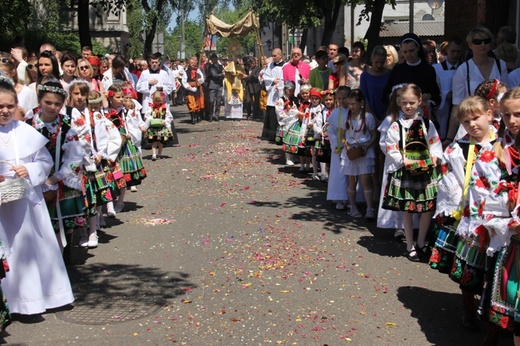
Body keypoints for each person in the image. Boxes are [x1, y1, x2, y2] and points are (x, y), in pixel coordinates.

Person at [430, 96, 506, 330]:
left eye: (476, 118)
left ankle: (495, 317)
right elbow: (448, 176)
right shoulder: (457, 148)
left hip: (499, 216)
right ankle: (468, 307)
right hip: (470, 216)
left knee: (497, 270)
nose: (472, 124)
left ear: (489, 115)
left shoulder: (504, 145)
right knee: (471, 267)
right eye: (466, 121)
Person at [0, 77, 74, 316]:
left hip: (26, 202)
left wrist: (29, 170)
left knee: (30, 248)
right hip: (2, 204)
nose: (5, 111)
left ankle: (35, 299)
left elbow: (45, 161)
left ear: (17, 106)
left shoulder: (25, 130)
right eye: (0, 106)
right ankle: (9, 301)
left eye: (10, 106)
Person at [382, 84, 442, 261]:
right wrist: (403, 160)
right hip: (406, 171)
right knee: (408, 209)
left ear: (420, 101)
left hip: (425, 170)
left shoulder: (427, 123)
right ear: (399, 102)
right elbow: (391, 147)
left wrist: (436, 157)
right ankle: (410, 244)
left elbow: (435, 142)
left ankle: (421, 241)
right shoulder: (396, 126)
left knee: (426, 209)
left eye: (412, 102)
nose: (408, 106)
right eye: (404, 103)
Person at [445, 25, 509, 146]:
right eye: (477, 42)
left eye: (486, 41)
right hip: (472, 123)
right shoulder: (463, 69)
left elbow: (507, 98)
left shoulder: (501, 66)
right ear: (470, 45)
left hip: (498, 123)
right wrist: (449, 137)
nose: (482, 45)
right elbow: (457, 105)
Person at [105, 84, 146, 212]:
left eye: (122, 96)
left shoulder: (126, 110)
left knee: (122, 173)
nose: (122, 99)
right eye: (118, 97)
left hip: (124, 143)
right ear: (110, 98)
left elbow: (133, 124)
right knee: (109, 173)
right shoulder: (104, 112)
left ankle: (120, 201)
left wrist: (130, 134)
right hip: (110, 143)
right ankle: (109, 202)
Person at [339, 89, 377, 219]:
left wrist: (366, 145)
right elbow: (342, 136)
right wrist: (346, 145)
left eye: (353, 103)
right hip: (350, 151)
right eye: (349, 104)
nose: (351, 107)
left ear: (361, 103)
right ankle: (352, 207)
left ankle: (370, 209)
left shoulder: (368, 117)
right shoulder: (346, 117)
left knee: (366, 180)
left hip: (364, 151)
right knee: (352, 180)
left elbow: (374, 135)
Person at [382, 33, 441, 112]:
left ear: (418, 49)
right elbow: (385, 95)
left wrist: (429, 96)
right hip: (400, 114)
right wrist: (394, 96)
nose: (408, 55)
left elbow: (436, 96)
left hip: (421, 114)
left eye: (411, 51)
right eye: (405, 52)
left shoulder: (428, 70)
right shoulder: (397, 70)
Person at [377, 84, 407, 238]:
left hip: (411, 161)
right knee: (395, 192)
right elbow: (383, 142)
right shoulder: (390, 119)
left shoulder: (416, 117)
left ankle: (410, 225)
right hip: (395, 161)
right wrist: (396, 154)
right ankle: (397, 225)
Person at [432, 37, 463, 140]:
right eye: (453, 51)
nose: (455, 55)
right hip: (442, 109)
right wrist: (445, 95)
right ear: (447, 50)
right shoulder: (436, 68)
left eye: (458, 52)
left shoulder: (464, 68)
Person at [326, 86, 350, 210]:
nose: (342, 101)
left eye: (344, 98)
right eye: (339, 98)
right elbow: (331, 131)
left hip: (351, 146)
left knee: (350, 174)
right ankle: (339, 197)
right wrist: (336, 144)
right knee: (339, 173)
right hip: (339, 148)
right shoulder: (336, 113)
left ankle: (351, 198)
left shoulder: (353, 111)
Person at [360, 45, 391, 122]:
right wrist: (375, 120)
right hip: (370, 115)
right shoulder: (365, 76)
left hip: (388, 114)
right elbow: (364, 98)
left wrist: (385, 117)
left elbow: (392, 97)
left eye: (382, 62)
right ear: (372, 59)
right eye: (376, 62)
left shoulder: (390, 74)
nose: (379, 65)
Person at [261, 48, 284, 141]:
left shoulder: (285, 65)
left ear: (280, 55)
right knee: (271, 113)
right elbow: (265, 76)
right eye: (272, 55)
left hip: (280, 91)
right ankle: (270, 134)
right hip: (272, 91)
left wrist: (280, 84)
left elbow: (285, 77)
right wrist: (272, 80)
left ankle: (280, 135)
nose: (273, 57)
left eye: (275, 56)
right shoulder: (270, 65)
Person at [144, 90, 173, 161]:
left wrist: (165, 121)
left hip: (162, 127)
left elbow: (169, 117)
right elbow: (147, 116)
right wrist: (151, 119)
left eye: (160, 100)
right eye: (156, 100)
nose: (158, 102)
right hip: (153, 127)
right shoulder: (151, 108)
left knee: (160, 141)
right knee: (154, 141)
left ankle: (159, 154)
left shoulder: (164, 108)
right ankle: (153, 154)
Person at [306, 88, 326, 180]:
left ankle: (323, 173)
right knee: (314, 153)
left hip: (320, 133)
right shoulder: (308, 108)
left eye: (316, 98)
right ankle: (314, 173)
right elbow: (305, 121)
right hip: (311, 133)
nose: (314, 100)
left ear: (320, 99)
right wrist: (303, 134)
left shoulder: (323, 108)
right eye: (312, 98)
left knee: (321, 153)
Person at [181, 56, 205, 124]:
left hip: (197, 88)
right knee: (191, 103)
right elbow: (184, 82)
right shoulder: (186, 72)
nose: (193, 64)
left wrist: (198, 81)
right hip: (190, 89)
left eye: (194, 62)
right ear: (189, 63)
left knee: (198, 103)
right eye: (192, 62)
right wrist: (190, 88)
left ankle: (197, 116)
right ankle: (193, 118)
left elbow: (202, 79)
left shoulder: (198, 70)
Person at [206, 53, 224, 122]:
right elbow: (214, 75)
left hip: (219, 85)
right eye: (213, 59)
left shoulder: (220, 66)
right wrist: (222, 74)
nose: (214, 60)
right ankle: (210, 115)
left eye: (215, 58)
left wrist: (223, 75)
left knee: (218, 101)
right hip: (212, 85)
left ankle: (217, 115)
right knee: (211, 101)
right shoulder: (210, 67)